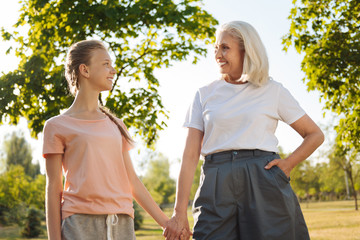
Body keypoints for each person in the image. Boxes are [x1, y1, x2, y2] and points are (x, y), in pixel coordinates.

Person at [163, 21, 324, 240]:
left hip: (263, 178)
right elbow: (190, 155)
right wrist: (178, 212)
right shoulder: (204, 94)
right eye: (216, 48)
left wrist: (288, 164)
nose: (218, 54)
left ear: (246, 50)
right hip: (216, 180)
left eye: (225, 48)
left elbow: (314, 134)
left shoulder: (272, 90)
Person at [43, 40, 170, 240]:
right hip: (80, 224)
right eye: (106, 64)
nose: (113, 69)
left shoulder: (116, 125)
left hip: (121, 223)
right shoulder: (56, 126)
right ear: (84, 70)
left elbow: (133, 182)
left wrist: (167, 223)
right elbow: (53, 188)